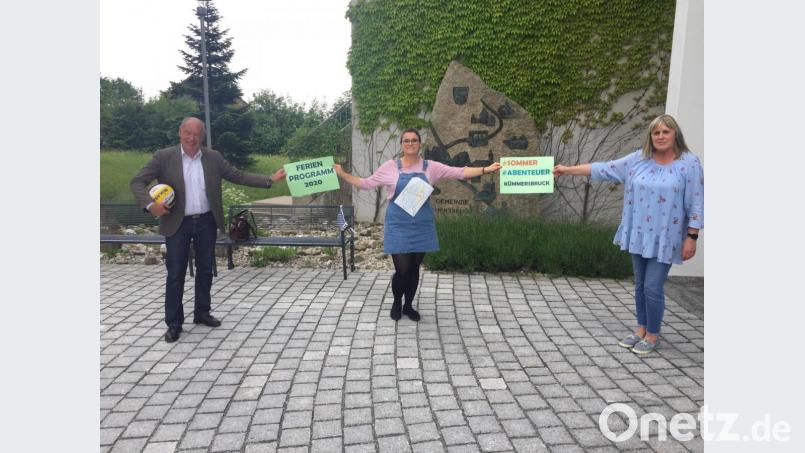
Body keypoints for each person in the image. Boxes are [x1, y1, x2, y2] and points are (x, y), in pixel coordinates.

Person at [553, 114, 703, 354]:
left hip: (666, 237)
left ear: (675, 134)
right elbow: (604, 169)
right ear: (650, 136)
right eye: (656, 133)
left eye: (666, 132)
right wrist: (567, 170)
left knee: (653, 287)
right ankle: (641, 329)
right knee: (641, 284)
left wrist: (692, 237)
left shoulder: (689, 163)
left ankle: (653, 335)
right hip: (638, 234)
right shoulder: (639, 159)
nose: (661, 137)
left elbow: (697, 201)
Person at [131, 117, 287, 343]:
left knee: (205, 270)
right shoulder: (164, 157)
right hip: (177, 224)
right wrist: (150, 204)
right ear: (180, 133)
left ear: (202, 136)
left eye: (197, 134)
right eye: (188, 133)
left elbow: (238, 175)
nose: (192, 138)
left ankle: (202, 313)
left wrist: (269, 180)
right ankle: (174, 324)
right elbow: (136, 182)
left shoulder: (213, 158)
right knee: (175, 275)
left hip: (206, 222)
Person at [334, 128, 501, 321]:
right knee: (402, 270)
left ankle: (408, 306)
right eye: (406, 141)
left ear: (419, 144)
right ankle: (397, 302)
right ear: (402, 145)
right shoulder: (390, 167)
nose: (410, 143)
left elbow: (459, 172)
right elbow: (366, 183)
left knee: (414, 269)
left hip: (422, 224)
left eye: (414, 140)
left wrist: (485, 169)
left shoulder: (431, 167)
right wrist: (343, 174)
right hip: (398, 224)